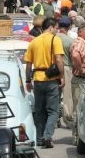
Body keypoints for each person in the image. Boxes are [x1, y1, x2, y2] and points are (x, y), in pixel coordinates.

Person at [25, 17, 65, 148]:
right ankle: (47, 136)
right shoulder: (55, 39)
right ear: (51, 27)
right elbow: (58, 59)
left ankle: (39, 138)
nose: (57, 30)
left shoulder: (34, 41)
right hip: (52, 80)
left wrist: (27, 80)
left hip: (37, 79)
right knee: (53, 111)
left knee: (39, 110)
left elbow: (28, 64)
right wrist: (62, 76)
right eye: (56, 28)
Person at [70, 22, 85, 145]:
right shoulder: (79, 43)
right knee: (78, 109)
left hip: (83, 79)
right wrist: (80, 69)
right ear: (80, 32)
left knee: (83, 108)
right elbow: (75, 55)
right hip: (80, 79)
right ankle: (76, 137)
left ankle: (80, 135)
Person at [57, 16, 74, 127]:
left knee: (55, 95)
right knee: (67, 95)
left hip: (53, 68)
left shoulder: (53, 37)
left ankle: (56, 117)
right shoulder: (70, 41)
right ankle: (67, 118)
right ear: (69, 27)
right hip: (67, 67)